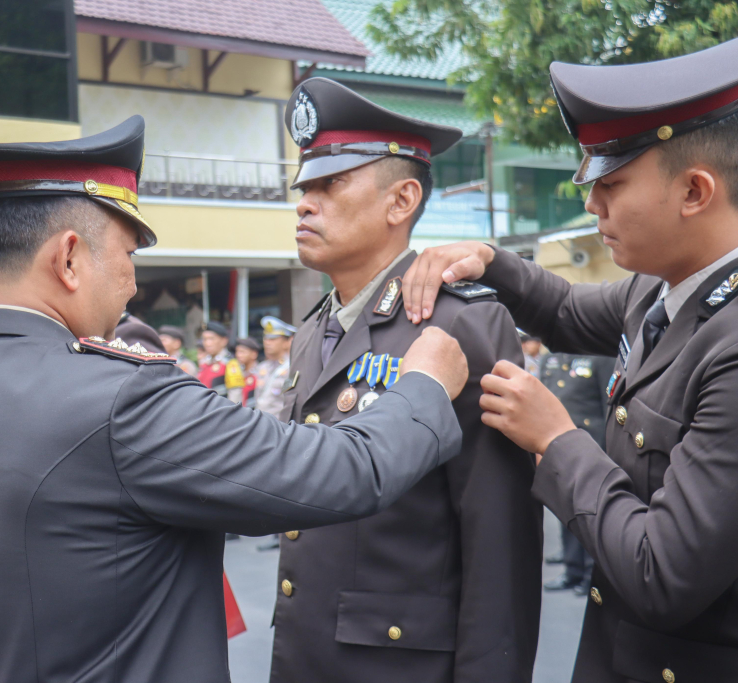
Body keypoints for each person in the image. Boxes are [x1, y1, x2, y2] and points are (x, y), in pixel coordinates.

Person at [0, 116, 471, 683]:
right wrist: (423, 386)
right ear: (69, 257)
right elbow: (345, 471)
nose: (131, 285)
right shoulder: (121, 400)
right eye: (127, 255)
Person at [399, 30, 738, 683]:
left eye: (612, 182)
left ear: (695, 191)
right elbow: (568, 311)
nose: (591, 203)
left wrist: (559, 440)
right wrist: (490, 260)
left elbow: (663, 574)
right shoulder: (666, 285)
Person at [269, 77, 543, 683]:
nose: (304, 203)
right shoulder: (314, 330)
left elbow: (498, 542)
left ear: (402, 201)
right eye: (303, 187)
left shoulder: (462, 321)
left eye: (329, 184)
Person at [538, 353, 615, 596]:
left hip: (592, 446)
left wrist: (609, 450)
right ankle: (572, 570)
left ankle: (590, 575)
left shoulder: (599, 356)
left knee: (591, 512)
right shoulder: (552, 357)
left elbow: (609, 406)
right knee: (566, 509)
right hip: (561, 445)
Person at [253, 315, 295, 418]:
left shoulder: (292, 367)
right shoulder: (262, 367)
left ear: (286, 342)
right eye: (266, 338)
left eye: (273, 339)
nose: (267, 343)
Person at [197, 321, 245, 400]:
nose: (207, 343)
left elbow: (235, 396)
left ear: (224, 341)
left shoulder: (230, 363)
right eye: (204, 339)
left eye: (211, 339)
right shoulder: (204, 362)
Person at [233, 337, 260, 406]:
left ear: (254, 354)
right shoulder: (238, 372)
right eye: (237, 351)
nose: (238, 355)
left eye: (242, 352)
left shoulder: (260, 373)